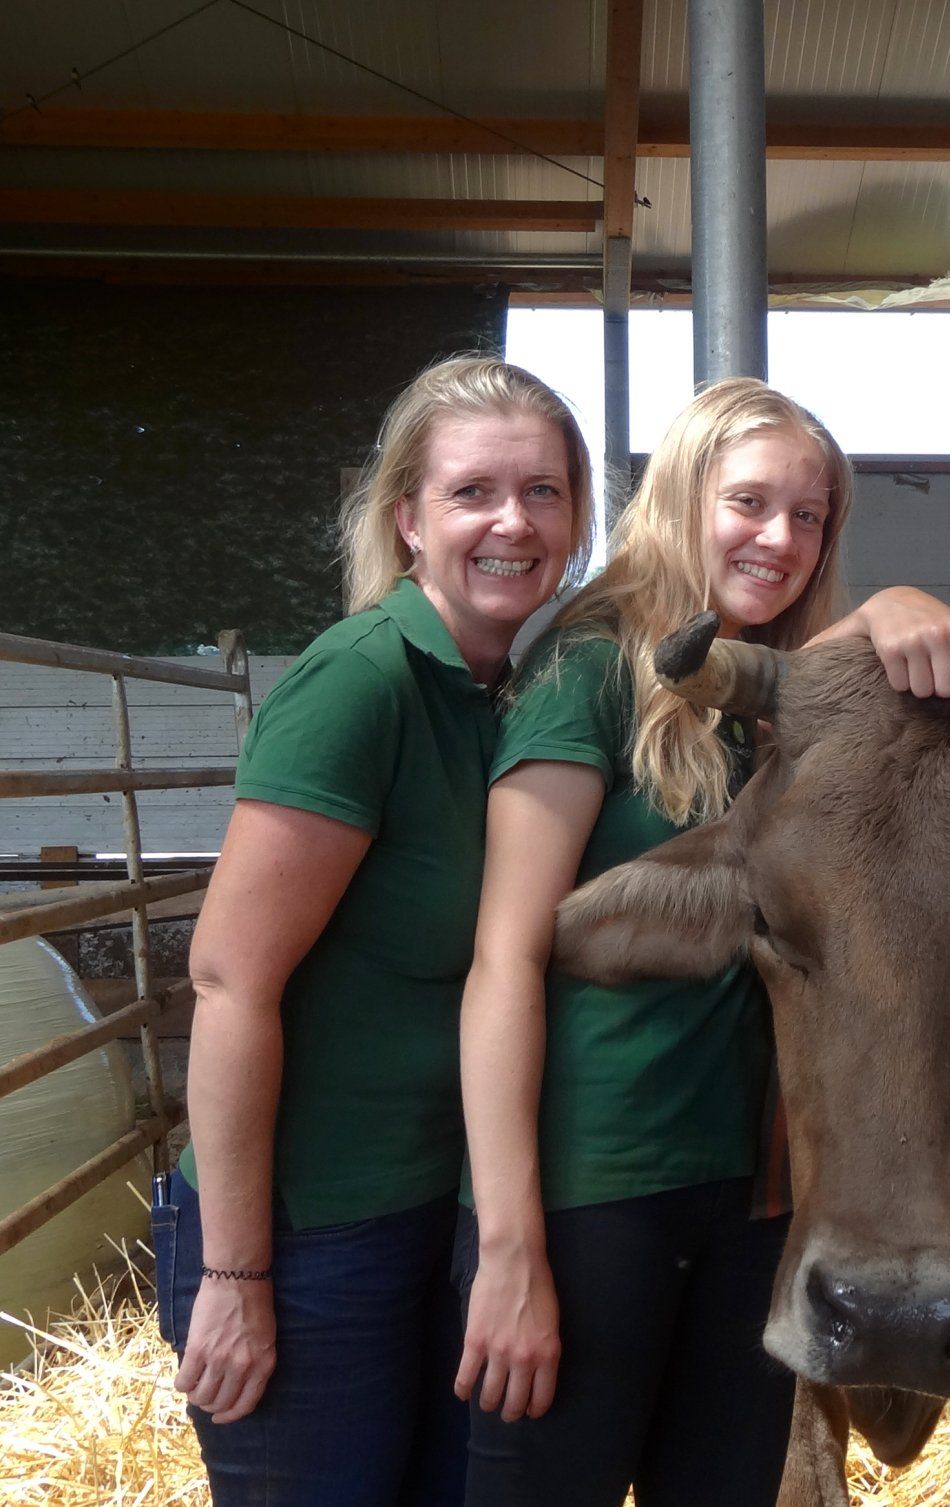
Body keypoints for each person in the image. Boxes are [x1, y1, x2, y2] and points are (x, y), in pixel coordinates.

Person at [155, 356, 596, 1507]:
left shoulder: (510, 693)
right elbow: (228, 982)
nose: (513, 521)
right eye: (473, 492)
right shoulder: (363, 683)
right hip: (307, 1237)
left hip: (431, 1214)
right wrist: (236, 1272)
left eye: (544, 491)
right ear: (406, 518)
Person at [454, 378, 858, 1507]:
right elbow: (504, 960)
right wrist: (508, 1248)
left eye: (810, 513)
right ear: (683, 495)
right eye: (749, 502)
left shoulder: (779, 690)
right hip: (595, 1190)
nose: (779, 538)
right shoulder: (588, 668)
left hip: (744, 1196)